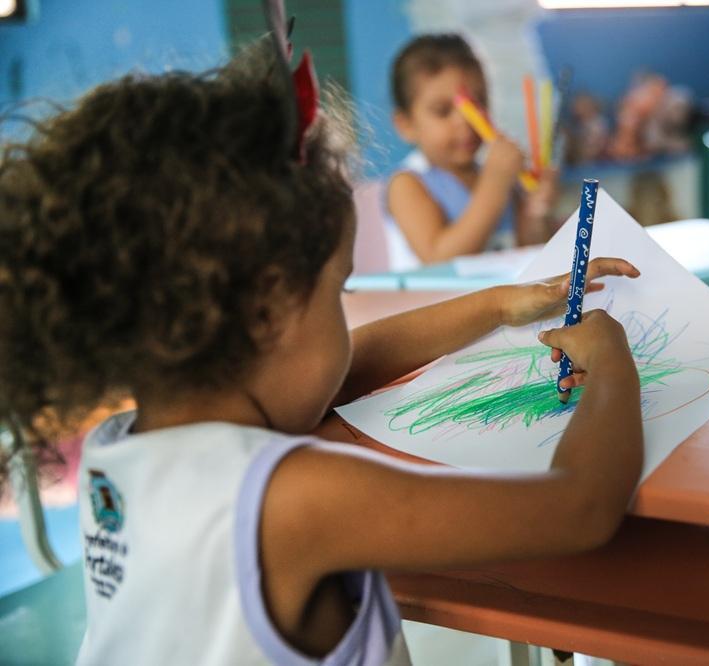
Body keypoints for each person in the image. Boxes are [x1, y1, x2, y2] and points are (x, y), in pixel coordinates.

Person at [0, 35, 643, 665]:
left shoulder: (121, 449)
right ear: (269, 312)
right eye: (338, 290)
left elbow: (345, 365)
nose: (347, 317)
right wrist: (612, 362)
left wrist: (501, 305)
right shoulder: (292, 498)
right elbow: (578, 506)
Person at [385, 34, 558, 270]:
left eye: (476, 106)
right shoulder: (407, 184)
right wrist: (494, 185)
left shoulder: (499, 176)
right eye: (443, 111)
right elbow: (439, 260)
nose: (465, 122)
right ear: (405, 125)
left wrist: (536, 211)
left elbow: (528, 253)